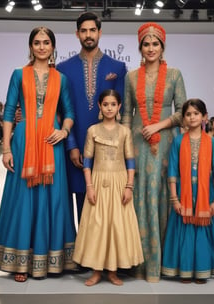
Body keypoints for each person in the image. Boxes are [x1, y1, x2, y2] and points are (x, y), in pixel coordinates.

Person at [0, 27, 76, 282]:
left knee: (53, 200)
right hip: (24, 142)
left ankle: (49, 260)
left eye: (46, 42)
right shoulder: (19, 75)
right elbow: (8, 113)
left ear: (52, 47)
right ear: (30, 47)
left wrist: (64, 131)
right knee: (23, 199)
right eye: (36, 43)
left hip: (52, 143)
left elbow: (69, 111)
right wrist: (5, 148)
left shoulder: (61, 79)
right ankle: (21, 262)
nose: (41, 47)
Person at [121, 22, 187, 282]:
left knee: (163, 196)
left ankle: (165, 264)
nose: (151, 49)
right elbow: (127, 113)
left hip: (166, 143)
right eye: (146, 44)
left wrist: (158, 124)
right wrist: (125, 146)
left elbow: (182, 111)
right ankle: (139, 263)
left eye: (155, 44)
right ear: (140, 47)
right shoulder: (130, 77)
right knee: (139, 198)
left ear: (162, 47)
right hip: (137, 143)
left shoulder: (174, 74)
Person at [57, 12, 127, 224]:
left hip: (107, 149)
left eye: (92, 30)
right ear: (77, 34)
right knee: (79, 196)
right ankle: (79, 252)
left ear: (100, 32)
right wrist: (71, 146)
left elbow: (120, 114)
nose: (88, 35)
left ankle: (101, 254)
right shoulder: (63, 69)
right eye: (84, 31)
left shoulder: (117, 68)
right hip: (75, 145)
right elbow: (62, 111)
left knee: (106, 201)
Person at [73, 89, 144, 286]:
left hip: (120, 182)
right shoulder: (93, 131)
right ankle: (96, 271)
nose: (109, 108)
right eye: (105, 104)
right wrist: (89, 186)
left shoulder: (125, 132)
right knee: (97, 225)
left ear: (119, 106)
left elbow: (130, 160)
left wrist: (129, 186)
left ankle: (113, 271)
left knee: (116, 225)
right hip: (97, 182)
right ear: (99, 106)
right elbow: (87, 161)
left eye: (113, 104)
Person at [161, 98, 214, 284]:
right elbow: (172, 170)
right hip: (183, 195)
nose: (192, 117)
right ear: (183, 118)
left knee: (201, 232)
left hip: (204, 196)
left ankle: (202, 271)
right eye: (188, 114)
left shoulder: (212, 142)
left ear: (204, 116)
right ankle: (184, 271)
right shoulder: (178, 141)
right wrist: (175, 199)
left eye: (196, 114)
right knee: (183, 230)